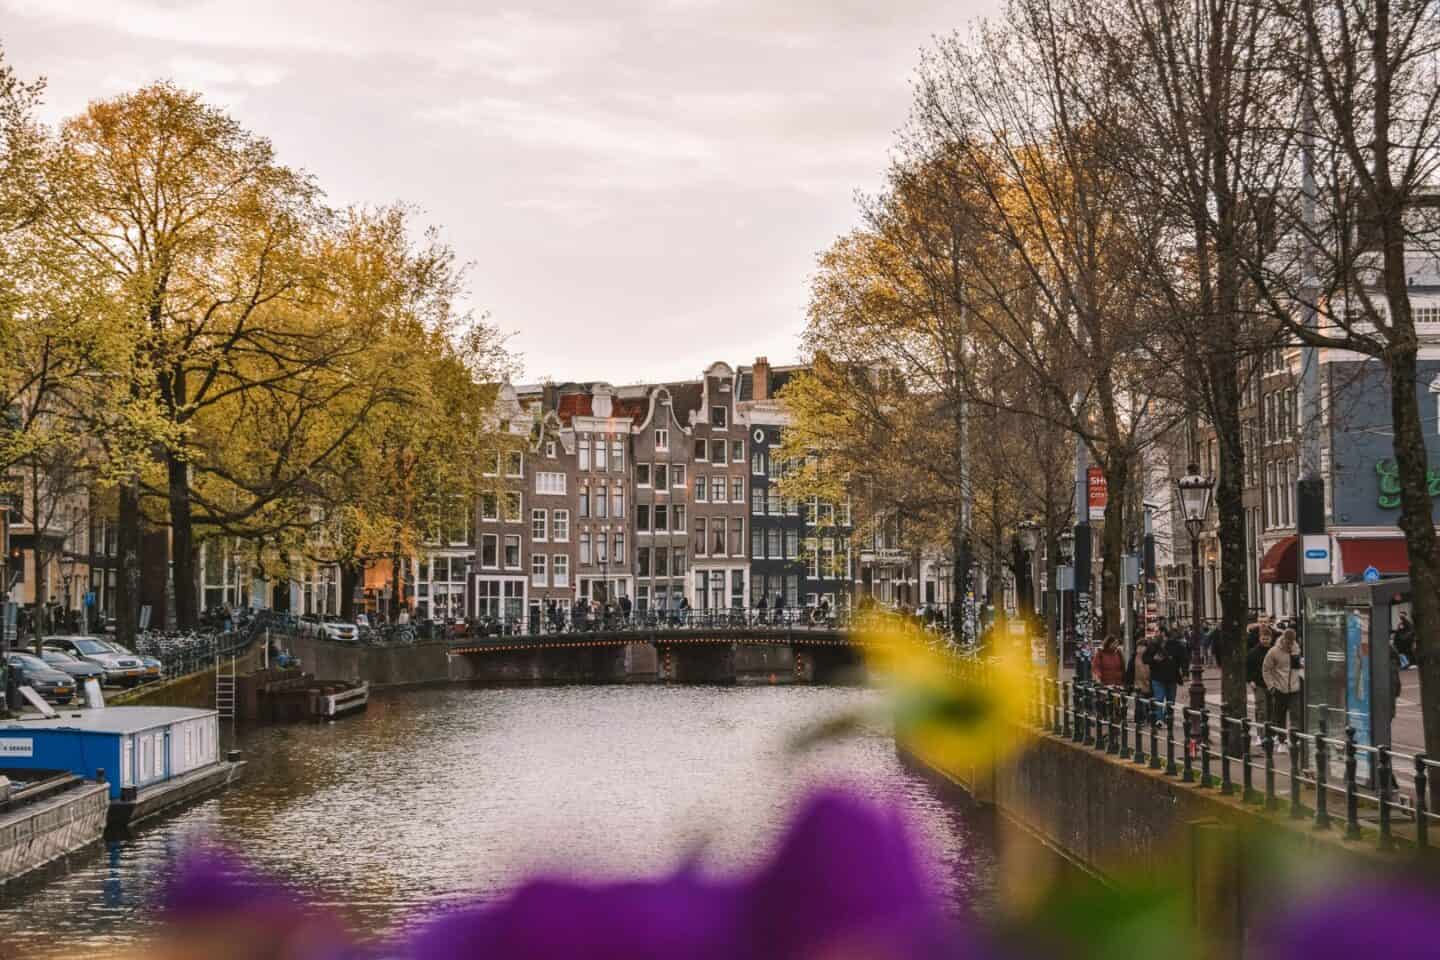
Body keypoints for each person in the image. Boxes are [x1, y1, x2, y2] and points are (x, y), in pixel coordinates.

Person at [1263, 628, 1303, 742]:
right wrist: (1271, 686)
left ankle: (1295, 739)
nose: (1289, 644)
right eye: (1287, 641)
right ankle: (1281, 739)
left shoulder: (1296, 650)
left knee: (1296, 714)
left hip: (1295, 688)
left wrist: (1300, 664)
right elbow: (1266, 669)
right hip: (1280, 688)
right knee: (1280, 716)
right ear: (1283, 639)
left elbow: (1297, 667)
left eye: (1292, 642)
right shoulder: (1274, 651)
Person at [1144, 628, 1189, 726]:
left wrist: (1185, 673)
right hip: (1157, 677)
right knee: (1159, 698)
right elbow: (1145, 658)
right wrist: (1153, 659)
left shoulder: (1176, 645)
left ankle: (1167, 717)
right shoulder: (1153, 645)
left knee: (1171, 700)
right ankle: (1159, 719)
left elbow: (1184, 659)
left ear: (1164, 633)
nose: (1155, 634)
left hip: (1171, 677)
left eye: (1157, 632)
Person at [1247, 624, 1272, 732]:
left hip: (1272, 684)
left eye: (1267, 639)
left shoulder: (1273, 651)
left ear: (1270, 639)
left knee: (1271, 708)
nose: (1265, 640)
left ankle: (1270, 732)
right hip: (1258, 684)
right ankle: (1260, 734)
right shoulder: (1253, 652)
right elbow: (1248, 667)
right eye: (1263, 638)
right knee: (1262, 709)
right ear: (1260, 638)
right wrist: (1250, 680)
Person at [1129, 634, 1153, 724]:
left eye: (1143, 646)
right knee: (1139, 701)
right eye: (1139, 646)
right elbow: (1130, 670)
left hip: (1148, 682)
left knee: (1148, 702)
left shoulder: (1149, 656)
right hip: (1137, 683)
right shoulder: (1134, 657)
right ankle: (1139, 719)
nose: (1140, 649)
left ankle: (1148, 718)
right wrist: (1129, 683)